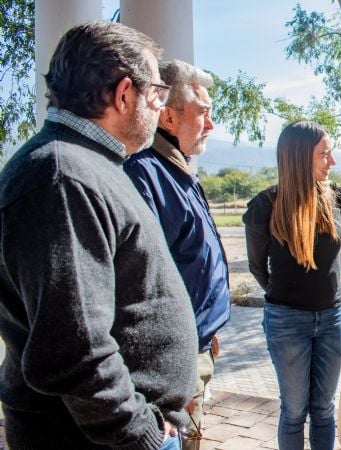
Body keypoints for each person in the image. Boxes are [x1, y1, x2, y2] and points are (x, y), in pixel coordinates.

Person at [0, 21, 197, 450]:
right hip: (100, 440)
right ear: (124, 94)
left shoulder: (88, 165)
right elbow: (73, 348)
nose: (159, 106)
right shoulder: (61, 177)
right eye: (156, 93)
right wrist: (142, 433)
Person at [123, 59, 231, 450]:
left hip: (197, 347)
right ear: (168, 117)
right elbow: (142, 285)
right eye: (203, 113)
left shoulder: (177, 169)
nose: (211, 125)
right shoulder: (145, 174)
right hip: (174, 362)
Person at [242, 121, 341, 450]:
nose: (332, 161)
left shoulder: (335, 197)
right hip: (286, 321)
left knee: (324, 409)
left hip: (332, 318)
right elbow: (257, 267)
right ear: (300, 157)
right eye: (324, 154)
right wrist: (284, 295)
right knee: (293, 411)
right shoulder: (265, 206)